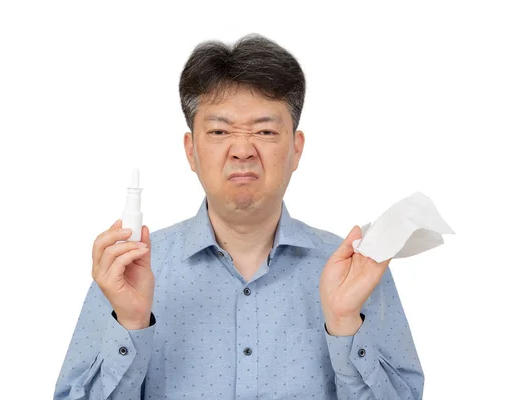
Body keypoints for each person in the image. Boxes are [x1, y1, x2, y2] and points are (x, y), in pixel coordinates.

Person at [54, 33, 424, 400]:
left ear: (296, 150)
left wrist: (345, 326)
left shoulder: (356, 271)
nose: (243, 150)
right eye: (219, 131)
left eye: (264, 131)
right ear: (191, 150)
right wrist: (131, 324)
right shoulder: (130, 270)